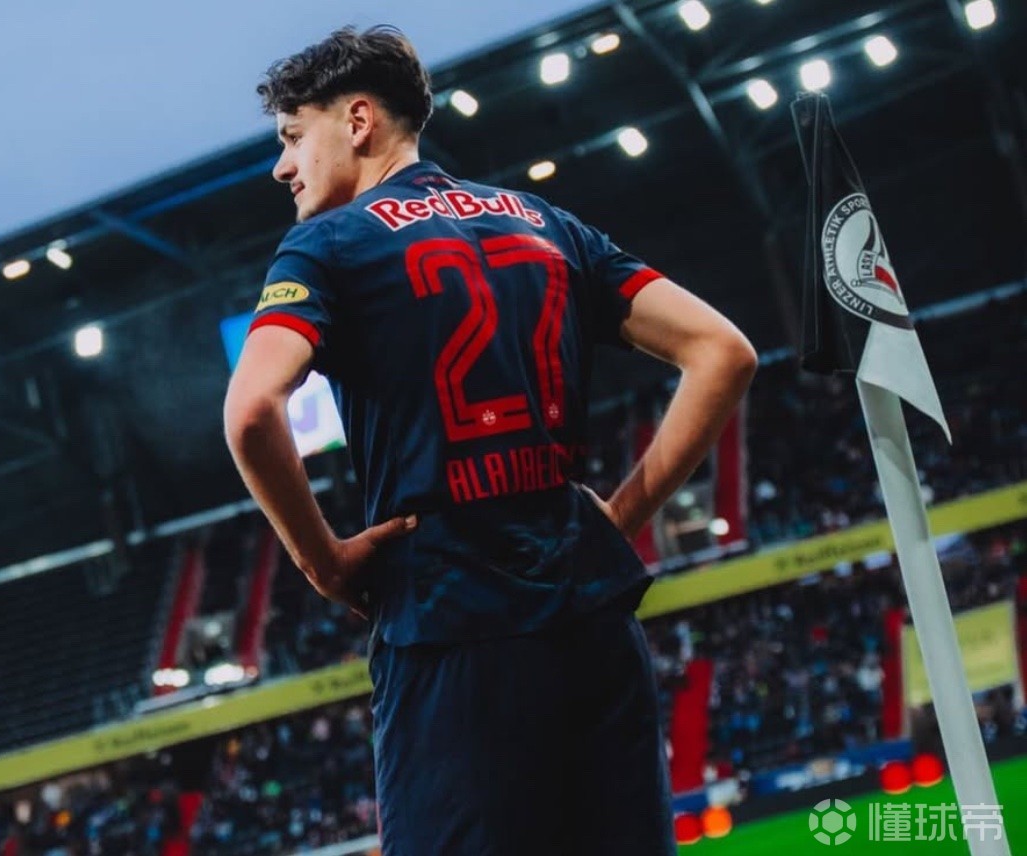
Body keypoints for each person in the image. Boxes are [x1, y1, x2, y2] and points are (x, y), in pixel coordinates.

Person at [224, 25, 756, 855]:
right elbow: (723, 351)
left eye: (293, 136)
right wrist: (621, 516)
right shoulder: (547, 222)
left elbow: (252, 410)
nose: (281, 167)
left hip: (449, 625)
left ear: (357, 120)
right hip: (591, 617)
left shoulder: (327, 246)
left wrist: (322, 562)